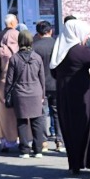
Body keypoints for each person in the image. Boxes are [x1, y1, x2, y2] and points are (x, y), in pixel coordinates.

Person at [51, 18, 90, 175]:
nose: (86, 37)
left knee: (71, 130)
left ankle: (75, 165)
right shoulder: (80, 51)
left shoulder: (59, 50)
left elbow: (53, 72)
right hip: (84, 96)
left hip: (65, 96)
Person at [5, 30, 46, 158]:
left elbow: (9, 80)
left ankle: (24, 150)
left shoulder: (14, 58)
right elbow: (42, 79)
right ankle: (38, 150)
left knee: (22, 123)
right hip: (36, 92)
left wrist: (7, 94)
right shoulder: (37, 57)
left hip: (20, 93)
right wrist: (42, 95)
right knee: (37, 122)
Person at [32, 20, 64, 152]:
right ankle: (59, 142)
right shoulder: (57, 45)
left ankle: (43, 142)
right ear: (50, 31)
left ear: (38, 33)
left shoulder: (34, 47)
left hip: (40, 85)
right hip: (56, 83)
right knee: (57, 113)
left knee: (42, 113)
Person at [0, 29, 20, 151]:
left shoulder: (0, 51)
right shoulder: (20, 51)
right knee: (17, 113)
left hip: (3, 85)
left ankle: (5, 142)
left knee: (2, 114)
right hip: (18, 85)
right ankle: (19, 138)